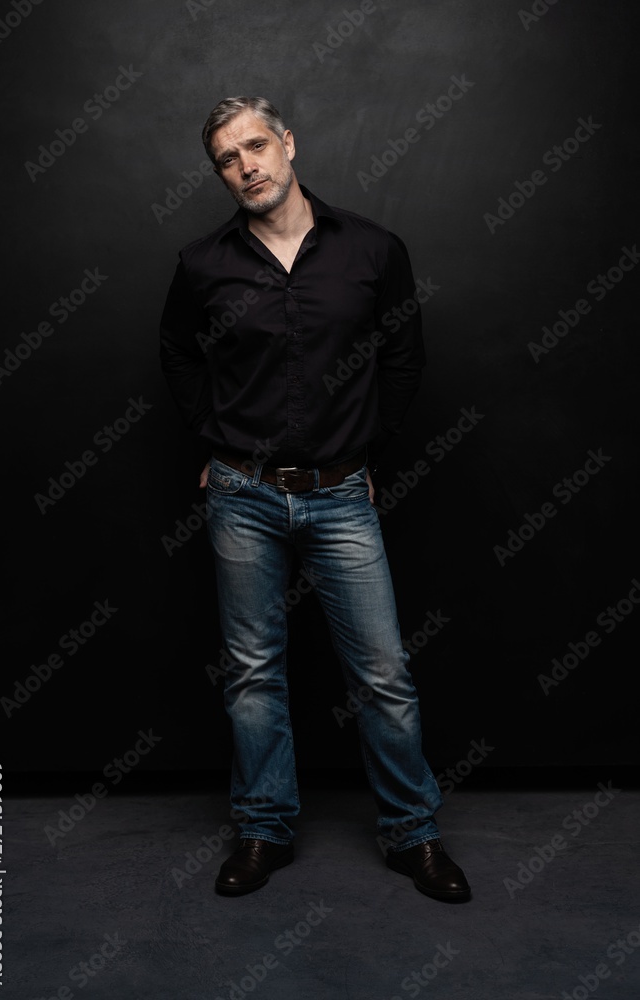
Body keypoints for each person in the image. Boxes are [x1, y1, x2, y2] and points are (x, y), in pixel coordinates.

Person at [159, 96, 471, 903]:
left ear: (288, 143)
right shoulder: (203, 264)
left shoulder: (371, 248)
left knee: (382, 674)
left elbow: (404, 358)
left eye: (256, 146)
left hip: (340, 497)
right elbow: (176, 355)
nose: (245, 166)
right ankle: (263, 830)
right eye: (227, 159)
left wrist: (368, 449)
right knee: (253, 675)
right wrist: (214, 436)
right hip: (241, 495)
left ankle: (411, 834)